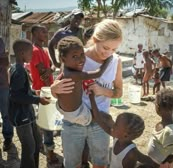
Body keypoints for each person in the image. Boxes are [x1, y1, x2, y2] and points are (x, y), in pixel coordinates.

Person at [51, 19, 123, 168]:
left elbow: (119, 92)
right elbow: (61, 87)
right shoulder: (76, 56)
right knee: (72, 164)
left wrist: (103, 91)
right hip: (73, 122)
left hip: (99, 123)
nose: (109, 53)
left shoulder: (116, 61)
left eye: (114, 49)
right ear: (95, 40)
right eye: (105, 47)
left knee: (100, 163)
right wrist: (54, 89)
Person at [8, 39, 50, 168]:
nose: (32, 55)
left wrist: (33, 92)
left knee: (37, 143)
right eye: (30, 53)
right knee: (29, 148)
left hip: (27, 112)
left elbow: (22, 90)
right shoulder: (19, 71)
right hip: (21, 116)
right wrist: (38, 100)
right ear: (21, 53)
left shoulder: (19, 68)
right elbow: (15, 96)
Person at [89, 92, 159, 168]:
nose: (113, 126)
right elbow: (99, 120)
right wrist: (92, 99)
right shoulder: (117, 137)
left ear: (125, 135)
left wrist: (157, 165)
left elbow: (144, 159)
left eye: (116, 125)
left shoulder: (130, 153)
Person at [56, 35, 112, 125]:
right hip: (76, 114)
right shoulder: (72, 75)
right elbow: (98, 73)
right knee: (107, 118)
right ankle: (118, 138)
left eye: (82, 54)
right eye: (75, 56)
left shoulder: (65, 69)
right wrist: (109, 59)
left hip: (65, 109)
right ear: (63, 59)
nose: (81, 59)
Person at [29, 25, 59, 165]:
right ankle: (50, 153)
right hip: (43, 91)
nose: (46, 33)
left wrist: (49, 69)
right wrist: (49, 71)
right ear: (34, 33)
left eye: (46, 31)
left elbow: (52, 66)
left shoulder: (44, 50)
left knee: (44, 121)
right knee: (48, 124)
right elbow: (44, 74)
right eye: (43, 31)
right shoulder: (34, 51)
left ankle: (42, 145)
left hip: (47, 89)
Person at [0, 37, 14, 151]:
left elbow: (5, 62)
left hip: (3, 85)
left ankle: (8, 138)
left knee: (6, 114)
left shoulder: (0, 40)